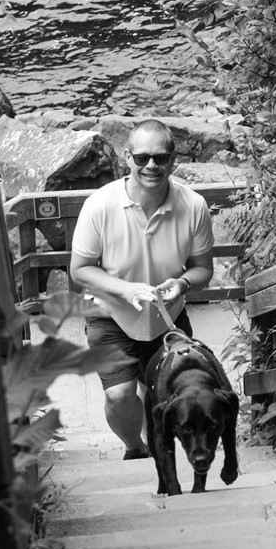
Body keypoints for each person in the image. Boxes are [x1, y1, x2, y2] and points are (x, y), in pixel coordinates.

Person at [70, 119, 214, 459]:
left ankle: (161, 450)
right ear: (127, 156)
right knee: (119, 395)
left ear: (174, 159)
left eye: (161, 157)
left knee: (164, 397)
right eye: (142, 158)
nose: (151, 165)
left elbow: (202, 269)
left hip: (165, 316)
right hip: (108, 314)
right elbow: (79, 270)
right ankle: (136, 448)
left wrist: (181, 283)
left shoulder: (193, 206)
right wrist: (126, 290)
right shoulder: (100, 205)